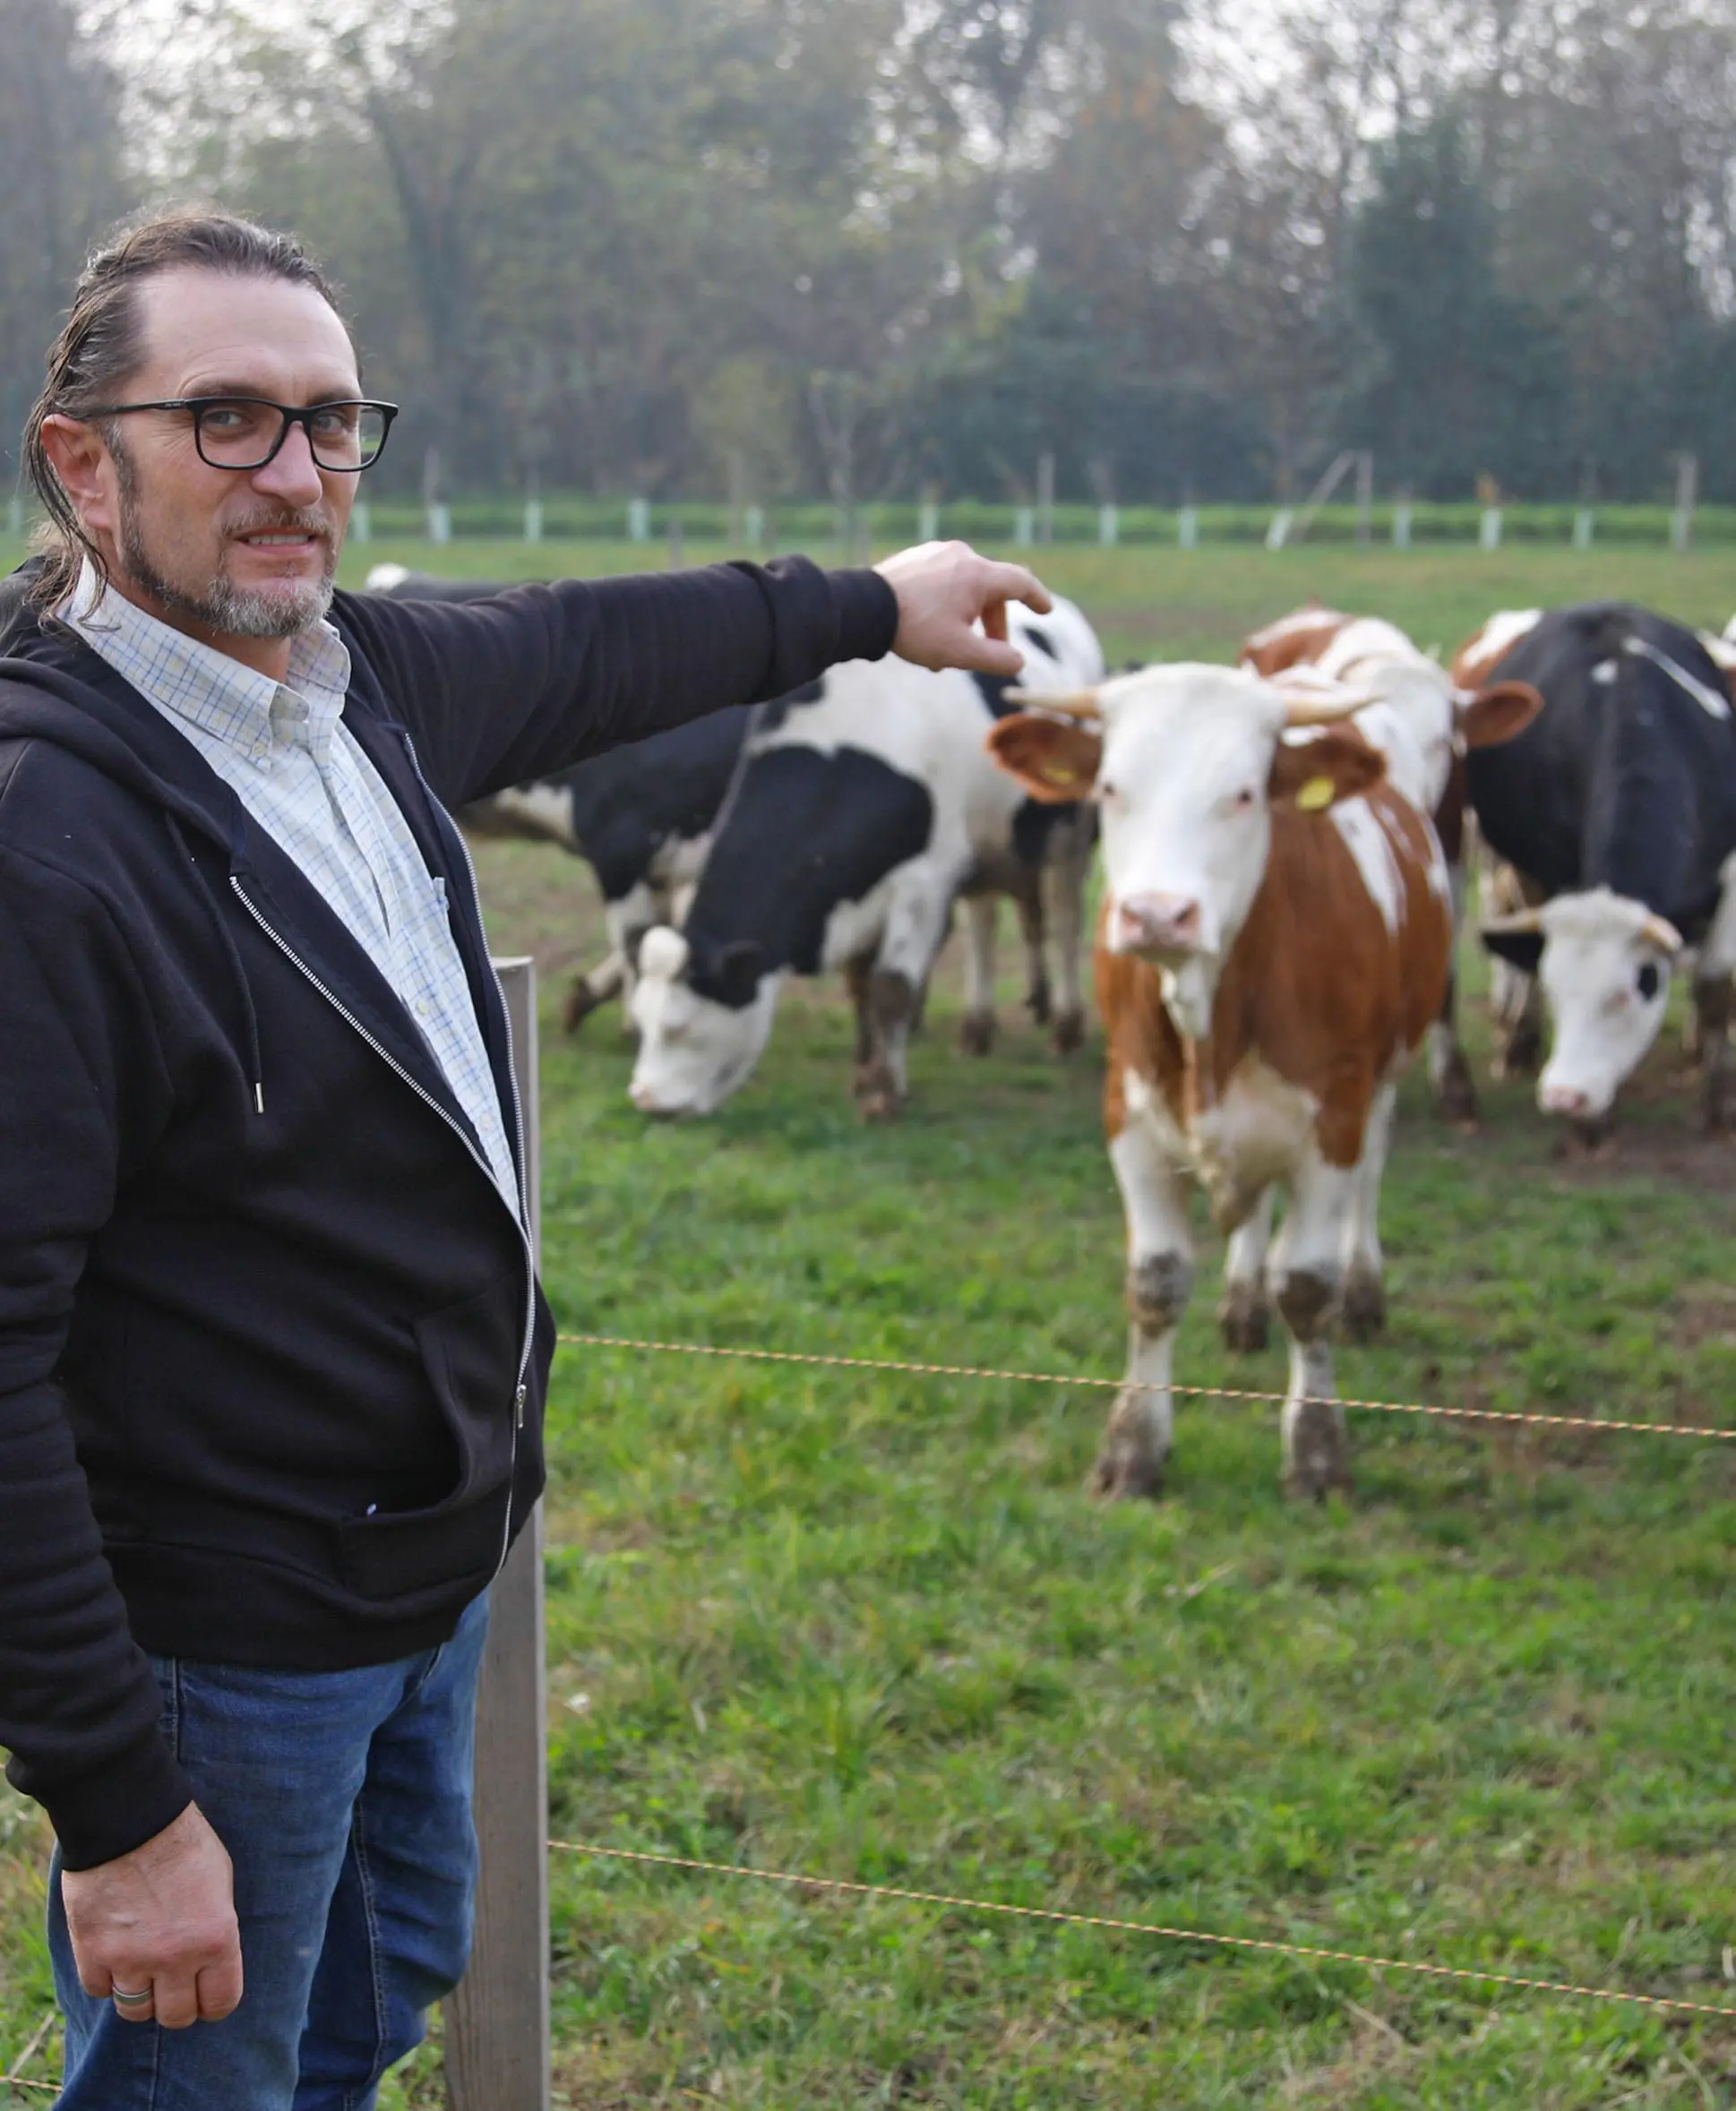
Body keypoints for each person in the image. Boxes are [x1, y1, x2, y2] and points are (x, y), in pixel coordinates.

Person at [0, 207, 1051, 2111]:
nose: (298, 476)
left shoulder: (345, 682)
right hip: (221, 1625)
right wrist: (121, 1805)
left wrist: (870, 599)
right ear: (83, 461)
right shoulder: (45, 838)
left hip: (416, 1560)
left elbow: (591, 641)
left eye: (332, 422)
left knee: (378, 1980)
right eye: (227, 420)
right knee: (198, 2083)